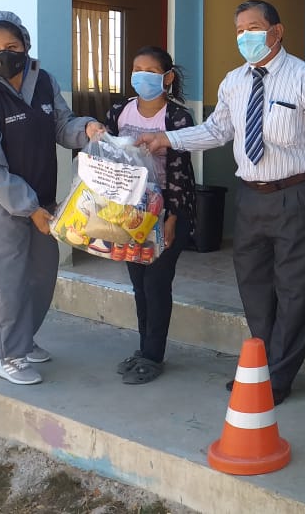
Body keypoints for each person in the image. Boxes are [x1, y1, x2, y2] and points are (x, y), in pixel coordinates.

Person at [139, 0, 305, 405]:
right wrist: (167, 139)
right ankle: (262, 366)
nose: (244, 36)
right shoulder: (233, 82)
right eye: (239, 30)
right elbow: (217, 130)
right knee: (254, 286)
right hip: (251, 196)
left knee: (296, 289)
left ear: (277, 32)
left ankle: (278, 377)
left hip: (297, 195)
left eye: (253, 27)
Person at [0, 11, 105, 386]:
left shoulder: (44, 82)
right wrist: (30, 208)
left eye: (11, 46)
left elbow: (62, 125)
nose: (3, 54)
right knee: (5, 281)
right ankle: (9, 355)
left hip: (43, 200)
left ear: (25, 46)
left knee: (41, 275)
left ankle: (24, 339)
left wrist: (86, 128)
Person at [105, 46, 197, 385]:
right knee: (139, 285)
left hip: (166, 214)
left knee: (156, 284)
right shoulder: (119, 111)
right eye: (136, 69)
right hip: (130, 214)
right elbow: (108, 160)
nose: (141, 76)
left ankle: (153, 355)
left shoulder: (178, 118)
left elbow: (180, 173)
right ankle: (145, 348)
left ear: (167, 77)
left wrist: (172, 218)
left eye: (151, 71)